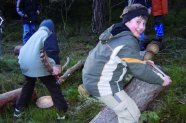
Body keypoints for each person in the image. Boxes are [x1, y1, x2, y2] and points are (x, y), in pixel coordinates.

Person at [82, 4, 171, 123]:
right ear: (127, 20)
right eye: (138, 22)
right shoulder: (127, 41)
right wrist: (161, 80)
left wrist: (140, 58)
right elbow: (139, 70)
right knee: (131, 115)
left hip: (91, 77)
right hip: (101, 84)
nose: (141, 27)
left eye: (144, 23)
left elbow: (122, 53)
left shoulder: (116, 32)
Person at [13, 19, 68, 121]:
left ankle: (18, 111)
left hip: (23, 62)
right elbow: (52, 50)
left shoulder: (35, 35)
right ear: (51, 28)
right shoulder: (47, 33)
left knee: (28, 86)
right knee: (54, 87)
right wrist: (56, 66)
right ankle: (62, 113)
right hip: (36, 64)